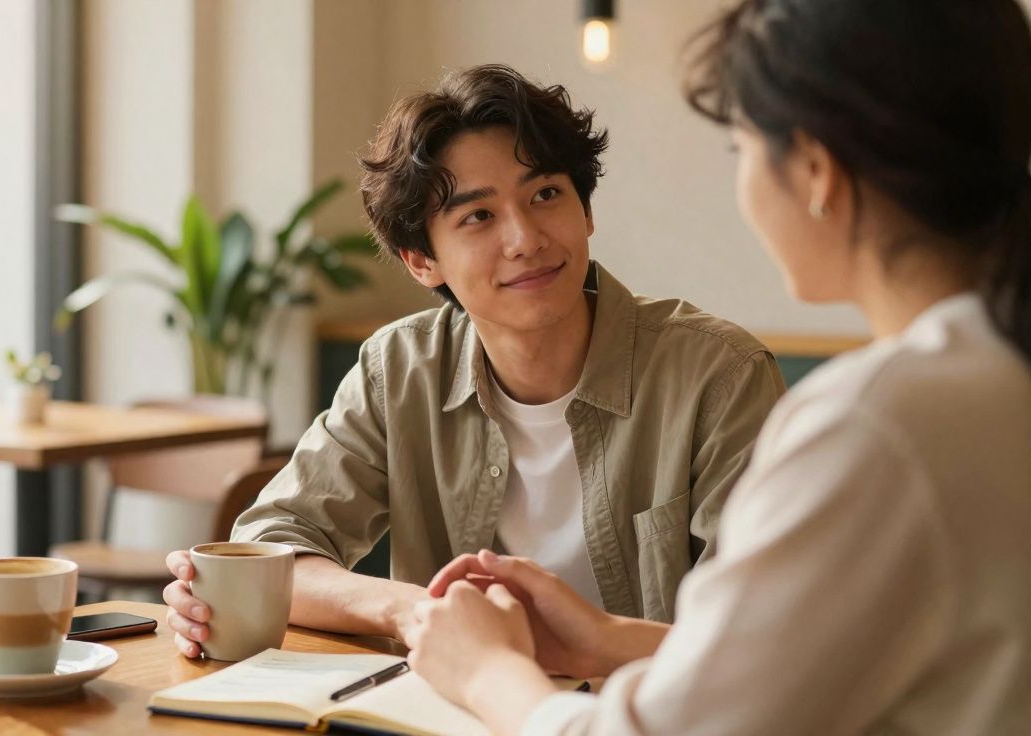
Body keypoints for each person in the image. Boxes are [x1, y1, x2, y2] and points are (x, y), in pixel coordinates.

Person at [403, 1, 1031, 733]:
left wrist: (485, 671)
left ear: (816, 170)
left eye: (742, 149)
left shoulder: (875, 428)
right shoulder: (991, 370)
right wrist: (614, 640)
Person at [162, 64, 785, 658]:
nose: (526, 240)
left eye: (545, 194)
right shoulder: (400, 370)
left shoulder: (719, 376)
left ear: (586, 211)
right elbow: (269, 548)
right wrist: (413, 611)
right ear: (421, 261)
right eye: (479, 216)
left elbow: (765, 630)